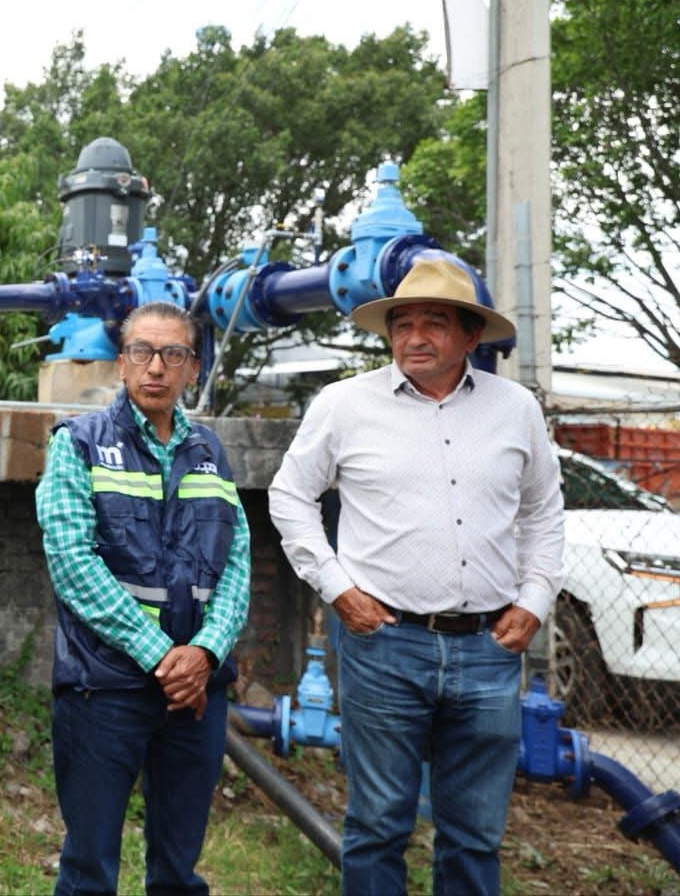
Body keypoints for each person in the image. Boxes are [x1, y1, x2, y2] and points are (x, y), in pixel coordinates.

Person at [268, 257, 565, 895]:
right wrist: (338, 589)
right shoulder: (344, 404)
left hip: (489, 648)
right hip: (384, 643)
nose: (415, 337)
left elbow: (543, 512)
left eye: (434, 323)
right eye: (402, 324)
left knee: (475, 834)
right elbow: (289, 496)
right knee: (377, 824)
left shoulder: (516, 409)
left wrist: (535, 601)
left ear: (471, 336)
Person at [35, 300, 250, 896]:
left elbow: (237, 563)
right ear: (122, 364)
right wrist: (163, 655)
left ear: (193, 369)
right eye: (142, 352)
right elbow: (73, 563)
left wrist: (204, 652)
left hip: (195, 693)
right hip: (103, 688)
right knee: (89, 868)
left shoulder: (210, 452)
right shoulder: (78, 444)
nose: (156, 367)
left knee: (179, 871)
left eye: (173, 354)